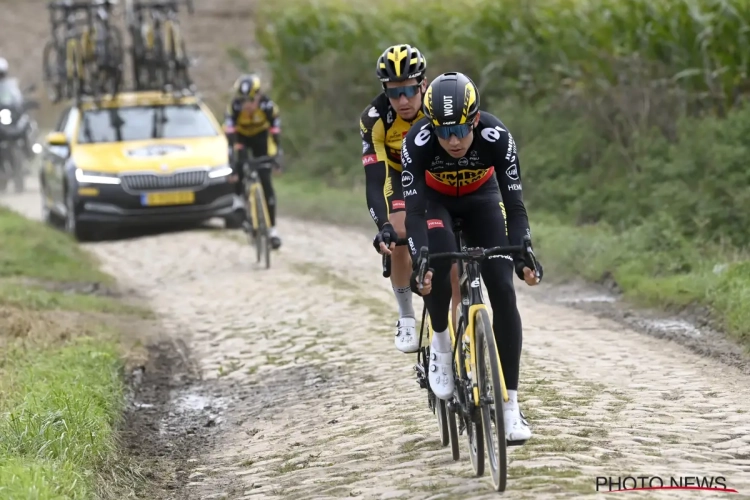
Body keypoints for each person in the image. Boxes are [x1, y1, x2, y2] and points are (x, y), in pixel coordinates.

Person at [401, 71, 544, 442]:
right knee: (437, 260)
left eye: (461, 130)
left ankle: (510, 407)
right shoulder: (417, 143)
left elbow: (514, 205)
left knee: (503, 288)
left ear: (475, 120)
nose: (452, 140)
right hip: (436, 205)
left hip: (483, 201)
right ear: (430, 126)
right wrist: (420, 259)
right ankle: (442, 344)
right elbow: (414, 214)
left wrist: (524, 251)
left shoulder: (497, 136)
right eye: (443, 132)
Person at [362, 44, 462, 353]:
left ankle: (463, 332)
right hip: (398, 179)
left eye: (408, 90)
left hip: (437, 175)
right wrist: (383, 225)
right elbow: (376, 178)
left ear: (423, 84)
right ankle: (406, 315)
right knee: (400, 232)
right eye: (394, 93)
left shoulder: (439, 106)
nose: (403, 100)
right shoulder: (375, 118)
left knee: (455, 257)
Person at [224, 73, 283, 249]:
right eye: (242, 100)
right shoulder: (233, 108)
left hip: (261, 139)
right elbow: (230, 141)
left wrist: (277, 158)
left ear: (258, 96)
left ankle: (272, 231)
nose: (246, 105)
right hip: (241, 138)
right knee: (240, 166)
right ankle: (238, 201)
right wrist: (233, 166)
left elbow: (275, 136)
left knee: (266, 182)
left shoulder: (268, 107)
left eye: (250, 100)